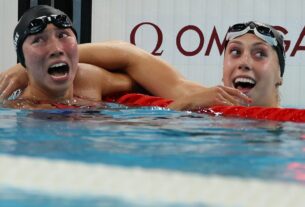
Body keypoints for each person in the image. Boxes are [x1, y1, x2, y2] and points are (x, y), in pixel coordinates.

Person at [0, 5, 250, 109]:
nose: (55, 47)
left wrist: (191, 99)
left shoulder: (87, 79)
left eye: (63, 35)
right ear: (21, 59)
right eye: (38, 40)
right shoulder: (15, 111)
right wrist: (184, 105)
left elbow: (137, 79)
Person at [221, 21, 285, 107]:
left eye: (260, 54)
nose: (244, 63)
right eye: (236, 52)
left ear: (279, 74)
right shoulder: (205, 114)